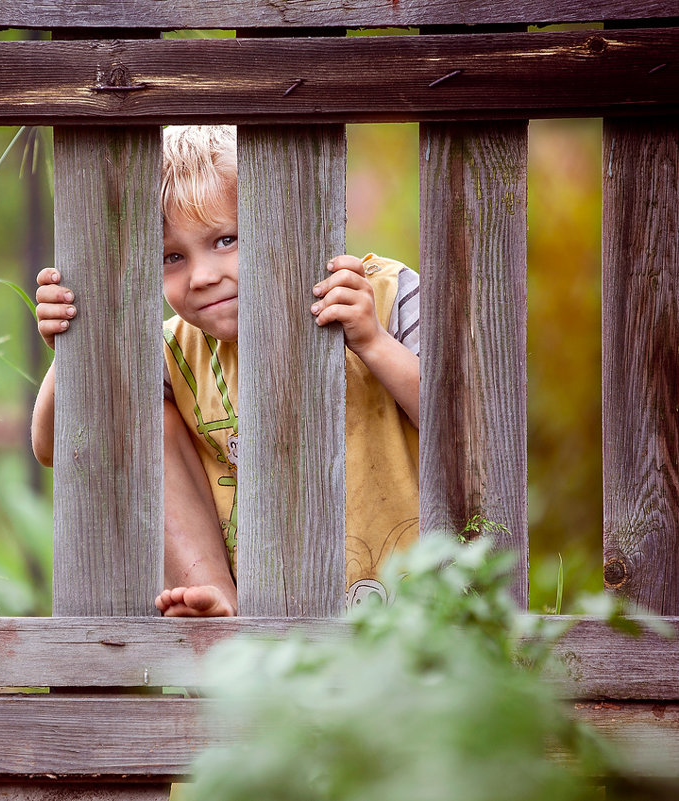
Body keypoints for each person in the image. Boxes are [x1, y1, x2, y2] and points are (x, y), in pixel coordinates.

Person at [31, 125, 421, 617]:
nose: (202, 276)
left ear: (280, 221)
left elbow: (463, 427)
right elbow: (52, 448)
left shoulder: (377, 296)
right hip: (266, 603)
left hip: (408, 602)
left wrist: (373, 341)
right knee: (146, 417)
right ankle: (220, 601)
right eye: (172, 256)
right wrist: (74, 351)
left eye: (226, 239)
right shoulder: (175, 349)